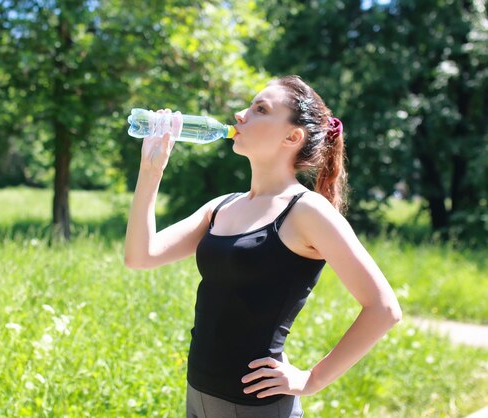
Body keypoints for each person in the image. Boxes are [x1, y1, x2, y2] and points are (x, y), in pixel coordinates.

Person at [124, 75, 402, 418]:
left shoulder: (306, 211)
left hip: (258, 408)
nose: (241, 115)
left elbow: (384, 308)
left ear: (292, 136)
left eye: (260, 109)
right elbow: (140, 256)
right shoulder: (222, 206)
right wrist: (150, 172)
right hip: (197, 395)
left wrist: (311, 380)